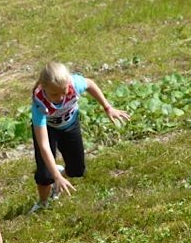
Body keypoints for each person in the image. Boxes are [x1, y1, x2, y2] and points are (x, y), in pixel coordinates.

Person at [29, 61, 130, 213]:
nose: (60, 97)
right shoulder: (39, 104)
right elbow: (44, 145)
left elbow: (90, 84)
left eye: (63, 91)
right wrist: (55, 176)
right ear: (44, 87)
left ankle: (58, 174)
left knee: (77, 170)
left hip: (70, 127)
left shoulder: (73, 84)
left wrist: (107, 107)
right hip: (48, 131)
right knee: (44, 175)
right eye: (54, 94)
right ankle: (43, 202)